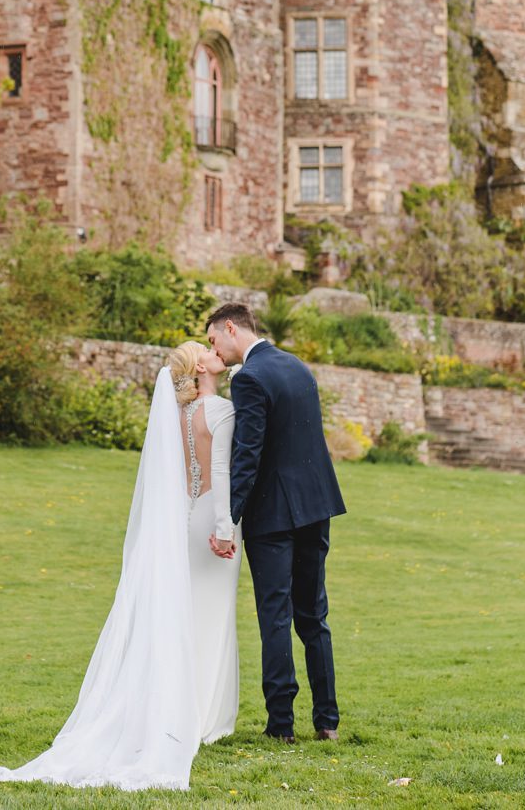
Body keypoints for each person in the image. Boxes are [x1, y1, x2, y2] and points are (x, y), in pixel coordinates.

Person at [0, 341, 241, 791]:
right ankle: (202, 718)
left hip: (180, 519)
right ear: (201, 367)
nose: (212, 350)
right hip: (211, 518)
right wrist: (225, 527)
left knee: (179, 616)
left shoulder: (177, 415)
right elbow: (220, 473)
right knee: (212, 619)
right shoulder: (221, 413)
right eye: (204, 350)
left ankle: (175, 709)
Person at [206, 301, 345, 744]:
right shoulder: (299, 367)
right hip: (316, 506)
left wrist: (228, 518)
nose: (215, 350)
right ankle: (327, 721)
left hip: (273, 515)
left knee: (275, 616)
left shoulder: (248, 378)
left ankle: (280, 724)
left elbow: (248, 455)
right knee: (313, 616)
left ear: (231, 328)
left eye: (213, 340)